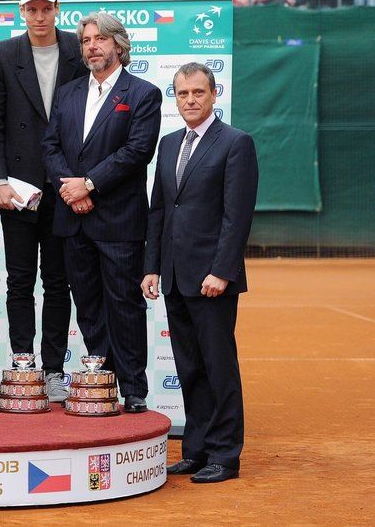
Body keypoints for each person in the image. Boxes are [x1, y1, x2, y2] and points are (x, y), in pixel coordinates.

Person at [143, 62, 258, 484]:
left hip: (213, 280)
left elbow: (237, 216)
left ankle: (225, 455)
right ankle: (196, 449)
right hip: (174, 276)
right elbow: (159, 210)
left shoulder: (235, 143)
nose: (190, 100)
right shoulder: (169, 143)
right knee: (189, 368)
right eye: (182, 94)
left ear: (214, 95)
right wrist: (151, 267)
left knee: (218, 367)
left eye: (198, 93)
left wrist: (222, 272)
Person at [42, 12, 161, 415]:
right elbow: (50, 148)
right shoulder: (69, 92)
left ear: (119, 45)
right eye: (87, 40)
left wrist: (88, 184)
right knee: (89, 307)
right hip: (74, 219)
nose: (92, 46)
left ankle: (133, 389)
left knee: (124, 307)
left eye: (100, 39)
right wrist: (71, 191)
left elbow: (136, 152)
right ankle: (102, 381)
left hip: (119, 221)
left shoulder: (143, 93)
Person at [0, 0, 88, 403]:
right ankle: (23, 363)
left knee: (58, 282)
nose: (40, 16)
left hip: (63, 186)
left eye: (47, 9)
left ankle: (55, 370)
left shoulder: (78, 52)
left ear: (57, 9)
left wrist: (78, 180)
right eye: (32, 9)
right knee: (20, 281)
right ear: (21, 12)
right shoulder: (2, 54)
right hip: (19, 190)